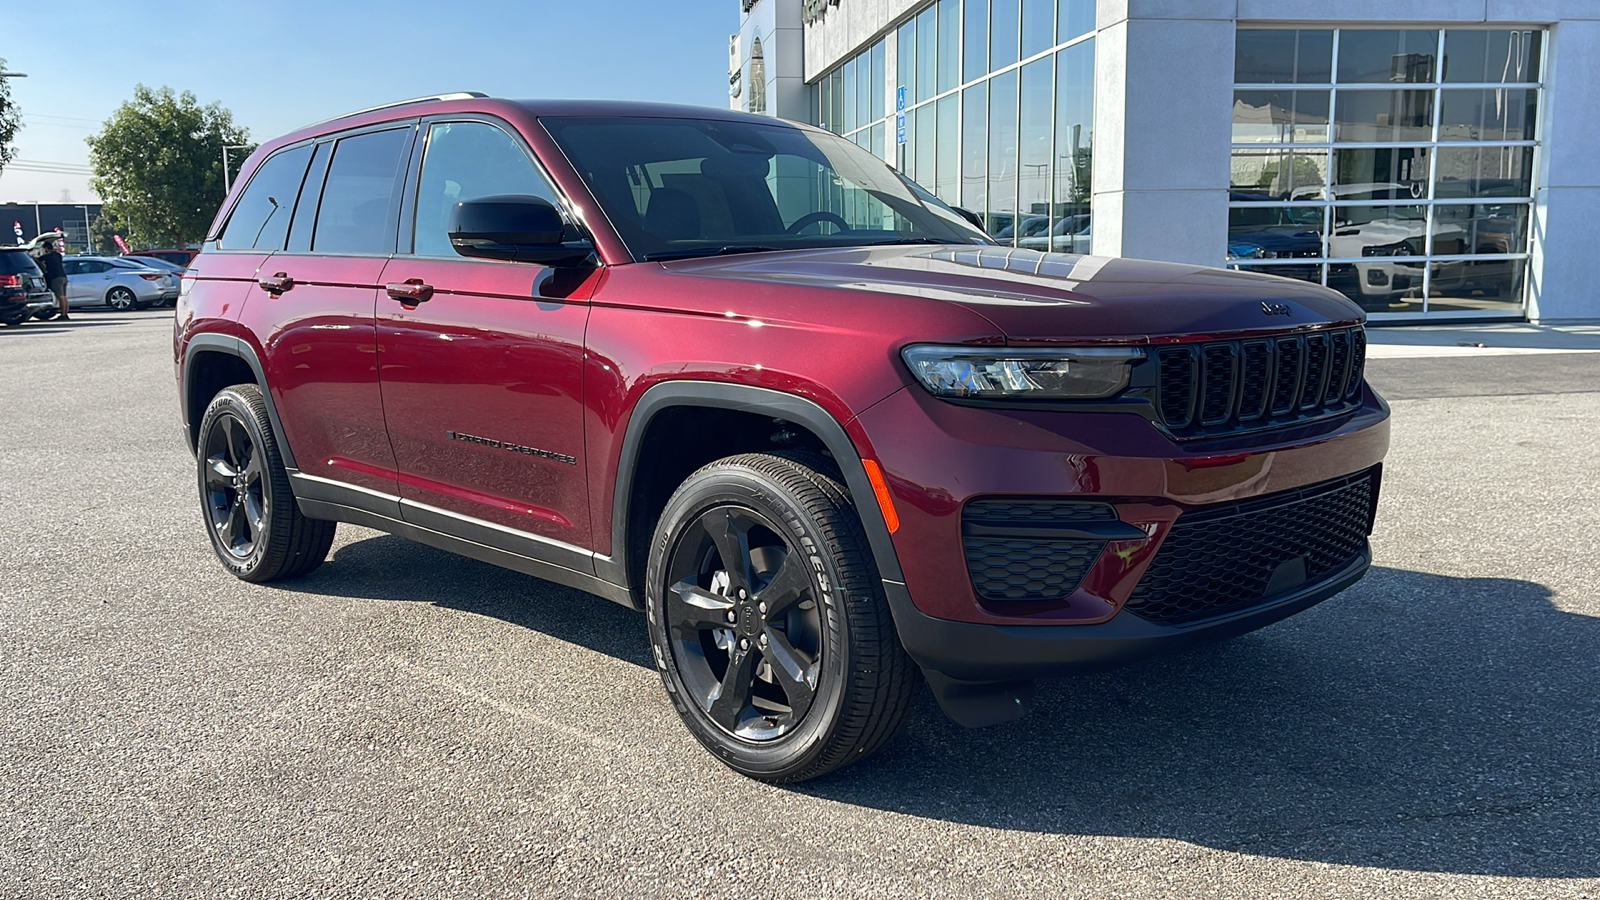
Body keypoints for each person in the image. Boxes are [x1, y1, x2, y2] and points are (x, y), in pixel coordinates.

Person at [31, 234, 69, 321]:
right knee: (64, 297)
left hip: (56, 278)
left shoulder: (48, 256)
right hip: (63, 276)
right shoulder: (58, 255)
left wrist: (32, 257)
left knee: (60, 297)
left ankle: (63, 315)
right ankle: (65, 314)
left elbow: (38, 260)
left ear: (46, 248)